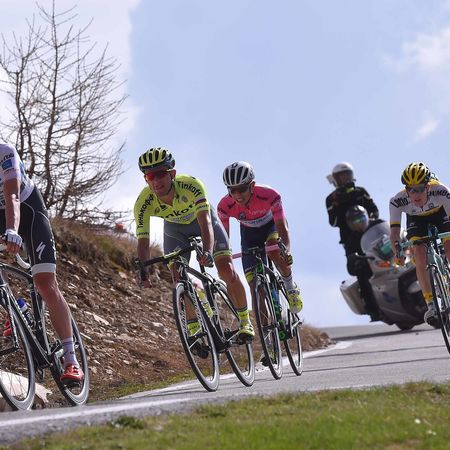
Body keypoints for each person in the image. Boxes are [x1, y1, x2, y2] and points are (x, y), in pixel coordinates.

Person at [134, 147, 254, 342]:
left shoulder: (191, 185)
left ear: (172, 174)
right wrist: (143, 269)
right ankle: (194, 329)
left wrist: (207, 251)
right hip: (175, 230)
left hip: (203, 223)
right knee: (178, 275)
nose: (156, 181)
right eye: (150, 176)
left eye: (160, 174)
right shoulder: (143, 202)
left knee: (226, 269)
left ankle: (245, 321)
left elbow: (205, 223)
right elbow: (143, 241)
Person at [0, 142, 83, 383]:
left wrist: (11, 230)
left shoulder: (4, 152)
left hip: (28, 211)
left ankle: (71, 359)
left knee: (45, 285)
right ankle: (16, 308)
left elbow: (13, 195)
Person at [217, 161, 303, 314]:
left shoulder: (270, 195)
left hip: (271, 226)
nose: (237, 195)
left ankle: (290, 287)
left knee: (273, 251)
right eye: (232, 190)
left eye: (241, 189)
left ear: (252, 185)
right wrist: (223, 260)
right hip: (249, 233)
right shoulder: (224, 206)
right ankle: (266, 329)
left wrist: (286, 250)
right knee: (254, 287)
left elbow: (282, 227)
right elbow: (224, 238)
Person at [390, 162, 450, 327]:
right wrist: (398, 253)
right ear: (406, 190)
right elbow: (394, 233)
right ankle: (431, 305)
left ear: (428, 187)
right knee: (419, 253)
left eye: (420, 189)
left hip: (441, 215)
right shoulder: (397, 201)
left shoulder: (441, 191)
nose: (415, 194)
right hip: (416, 220)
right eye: (411, 189)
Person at [326, 162, 379, 247]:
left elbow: (374, 209)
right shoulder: (331, 199)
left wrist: (372, 219)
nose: (346, 179)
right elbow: (333, 222)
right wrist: (336, 205)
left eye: (348, 176)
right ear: (336, 180)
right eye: (343, 177)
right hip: (350, 240)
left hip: (370, 233)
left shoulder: (360, 191)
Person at [344, 205, 382, 321]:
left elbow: (392, 233)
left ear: (367, 216)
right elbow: (350, 265)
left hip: (387, 257)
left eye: (362, 218)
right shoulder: (351, 241)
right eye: (356, 221)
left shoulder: (378, 224)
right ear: (351, 224)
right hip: (370, 265)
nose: (360, 222)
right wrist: (356, 262)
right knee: (362, 277)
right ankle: (373, 309)